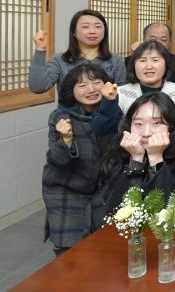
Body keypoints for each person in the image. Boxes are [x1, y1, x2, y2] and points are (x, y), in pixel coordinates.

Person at [95, 92, 175, 225]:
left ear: (171, 126)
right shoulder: (122, 148)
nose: (146, 133)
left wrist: (156, 158)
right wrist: (136, 161)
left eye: (156, 123)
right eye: (138, 124)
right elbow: (115, 209)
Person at [43, 64, 113, 255]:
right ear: (71, 90)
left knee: (106, 249)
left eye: (96, 83)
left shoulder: (112, 113)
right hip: (66, 190)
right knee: (70, 254)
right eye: (82, 85)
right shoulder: (60, 117)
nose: (91, 89)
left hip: (101, 189)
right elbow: (57, 161)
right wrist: (66, 140)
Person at [92, 40, 175, 135]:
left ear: (166, 64)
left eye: (155, 60)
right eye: (142, 60)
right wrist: (109, 102)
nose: (149, 66)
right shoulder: (120, 93)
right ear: (134, 65)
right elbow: (102, 130)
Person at [29, 9, 126, 93]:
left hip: (108, 109)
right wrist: (40, 49)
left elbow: (122, 93)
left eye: (98, 27)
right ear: (74, 32)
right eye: (85, 27)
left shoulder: (116, 60)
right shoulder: (59, 60)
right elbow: (38, 87)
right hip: (68, 110)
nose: (92, 31)